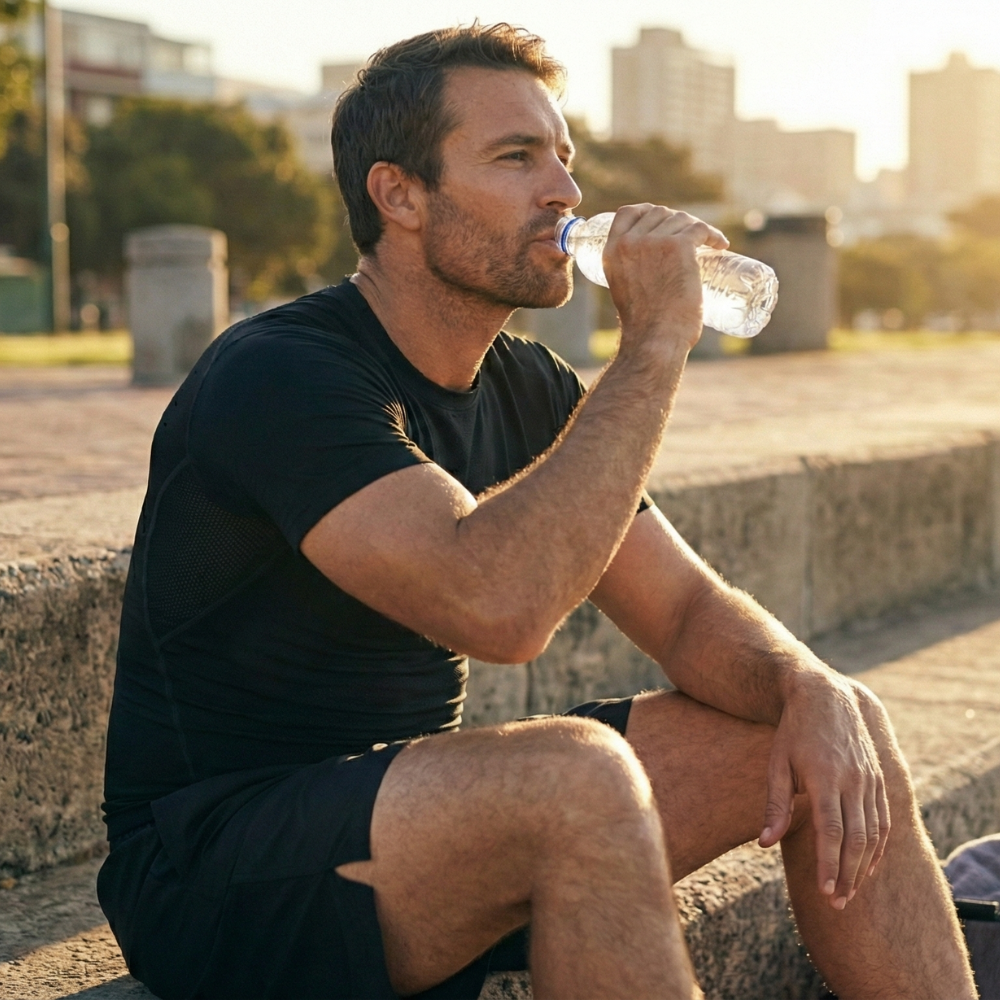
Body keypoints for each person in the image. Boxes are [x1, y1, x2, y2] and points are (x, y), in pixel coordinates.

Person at [97, 23, 976, 1000]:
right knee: (577, 775)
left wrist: (808, 686)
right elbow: (496, 606)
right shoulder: (281, 374)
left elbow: (687, 611)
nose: (563, 190)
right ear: (400, 195)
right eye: (516, 158)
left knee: (835, 730)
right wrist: (653, 348)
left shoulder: (528, 384)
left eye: (563, 157)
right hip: (212, 872)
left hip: (420, 822)